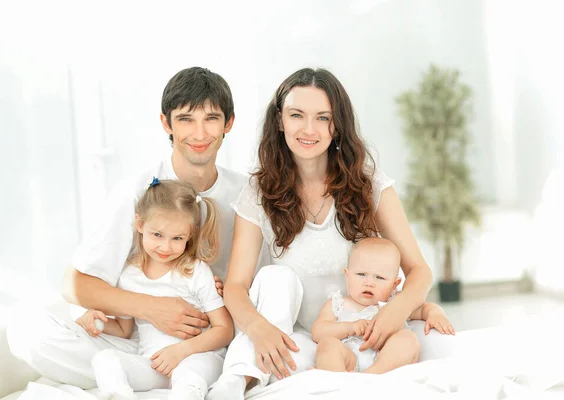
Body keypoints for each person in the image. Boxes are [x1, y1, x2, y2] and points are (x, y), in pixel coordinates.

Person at [7, 67, 266, 389]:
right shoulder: (137, 190)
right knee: (27, 331)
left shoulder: (247, 193)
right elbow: (76, 285)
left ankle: (202, 372)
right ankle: (152, 373)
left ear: (229, 123)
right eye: (186, 119)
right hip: (144, 338)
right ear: (165, 123)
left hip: (216, 338)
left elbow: (264, 281)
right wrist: (154, 308)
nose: (199, 134)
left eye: (211, 118)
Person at [207, 67, 434, 400]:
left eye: (322, 118)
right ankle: (239, 383)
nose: (308, 129)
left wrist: (395, 312)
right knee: (277, 337)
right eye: (297, 115)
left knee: (431, 346)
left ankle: (363, 380)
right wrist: (259, 329)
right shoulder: (258, 192)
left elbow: (420, 272)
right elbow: (237, 286)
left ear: (337, 124)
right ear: (280, 120)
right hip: (302, 339)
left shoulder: (368, 183)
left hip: (369, 331)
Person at [75, 179, 233, 400]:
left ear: (190, 236)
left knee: (187, 376)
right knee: (105, 359)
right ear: (140, 224)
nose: (166, 247)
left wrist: (181, 352)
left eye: (177, 238)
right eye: (157, 235)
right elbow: (124, 330)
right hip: (155, 363)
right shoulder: (129, 276)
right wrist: (96, 321)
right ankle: (117, 396)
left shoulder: (195, 271)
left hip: (199, 358)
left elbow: (224, 329)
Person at [312, 237, 454, 374]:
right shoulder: (338, 303)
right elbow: (318, 331)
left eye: (379, 277)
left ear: (394, 284)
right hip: (348, 359)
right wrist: (349, 327)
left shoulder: (395, 303)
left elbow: (424, 308)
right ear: (347, 275)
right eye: (361, 274)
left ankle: (372, 375)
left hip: (385, 360)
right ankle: (335, 379)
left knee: (408, 339)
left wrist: (436, 314)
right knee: (327, 345)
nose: (369, 282)